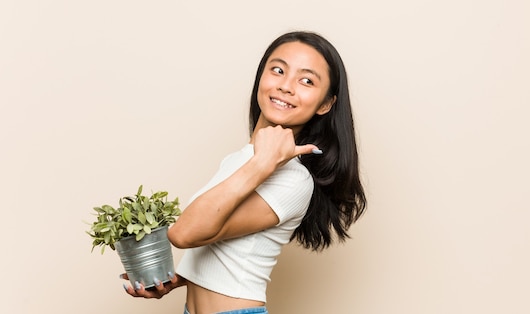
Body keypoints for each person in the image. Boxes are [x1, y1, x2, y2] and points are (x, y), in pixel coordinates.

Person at [121, 30, 367, 314]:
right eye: (278, 70)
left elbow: (183, 234)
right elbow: (219, 242)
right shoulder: (241, 159)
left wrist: (262, 165)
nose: (286, 86)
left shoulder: (293, 178)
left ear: (325, 104)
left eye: (306, 80)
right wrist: (175, 280)